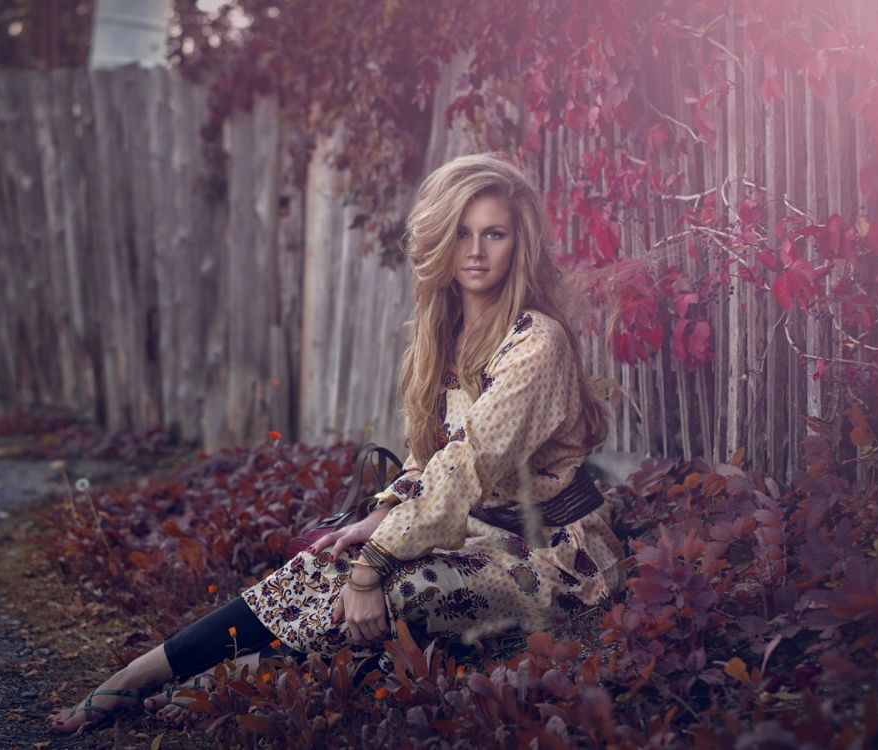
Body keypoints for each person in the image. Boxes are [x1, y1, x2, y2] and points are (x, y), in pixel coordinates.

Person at [48, 152, 624, 734]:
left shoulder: (537, 343)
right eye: (460, 233)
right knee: (326, 561)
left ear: (517, 242)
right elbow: (426, 459)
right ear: (439, 242)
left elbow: (464, 465)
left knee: (401, 587)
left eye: (493, 234)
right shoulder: (444, 338)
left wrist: (375, 563)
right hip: (479, 531)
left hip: (555, 558)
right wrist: (378, 521)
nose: (475, 250)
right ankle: (133, 679)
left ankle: (230, 677)